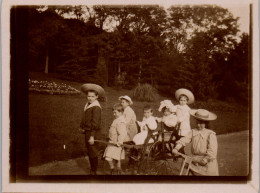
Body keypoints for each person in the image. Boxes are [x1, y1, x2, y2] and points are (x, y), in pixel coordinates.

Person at [172, 109, 219, 176]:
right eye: (197, 123)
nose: (198, 125)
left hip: (206, 161)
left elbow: (212, 150)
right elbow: (184, 140)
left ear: (206, 123)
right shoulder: (193, 131)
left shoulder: (210, 134)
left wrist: (206, 159)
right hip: (195, 160)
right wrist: (176, 148)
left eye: (201, 123)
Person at [79, 83, 105, 175]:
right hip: (88, 131)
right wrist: (82, 127)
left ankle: (94, 171)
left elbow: (95, 123)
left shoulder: (96, 107)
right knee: (90, 151)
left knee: (93, 152)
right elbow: (85, 118)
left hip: (93, 133)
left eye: (92, 96)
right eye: (88, 96)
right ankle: (92, 169)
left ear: (97, 97)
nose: (90, 98)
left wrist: (92, 136)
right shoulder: (88, 104)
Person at [103, 103, 127, 175]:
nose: (114, 114)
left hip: (116, 143)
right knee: (115, 157)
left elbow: (122, 133)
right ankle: (115, 169)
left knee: (109, 157)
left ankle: (113, 169)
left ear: (121, 112)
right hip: (112, 141)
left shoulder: (121, 121)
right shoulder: (117, 119)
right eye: (113, 112)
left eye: (115, 112)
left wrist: (119, 142)